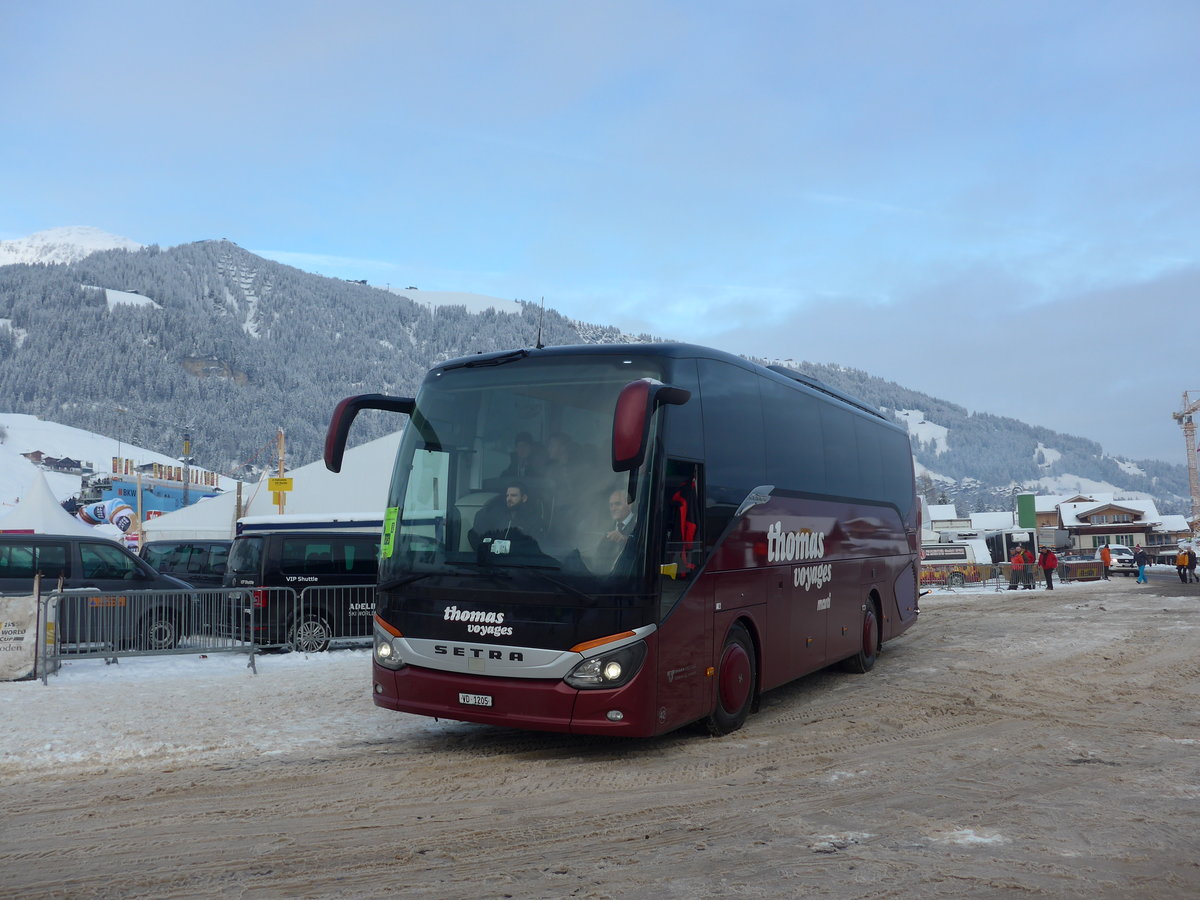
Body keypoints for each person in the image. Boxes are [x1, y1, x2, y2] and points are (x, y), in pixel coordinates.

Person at [470, 481, 543, 549]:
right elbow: (474, 535)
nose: (509, 499)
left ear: (524, 498)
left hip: (519, 561)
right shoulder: (496, 515)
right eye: (507, 496)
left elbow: (534, 546)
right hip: (493, 560)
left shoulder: (533, 519)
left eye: (513, 495)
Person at [593, 488, 636, 572]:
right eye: (611, 505)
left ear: (629, 505)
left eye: (617, 504)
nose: (613, 508)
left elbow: (644, 550)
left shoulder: (640, 523)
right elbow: (599, 555)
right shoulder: (607, 526)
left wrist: (624, 540)